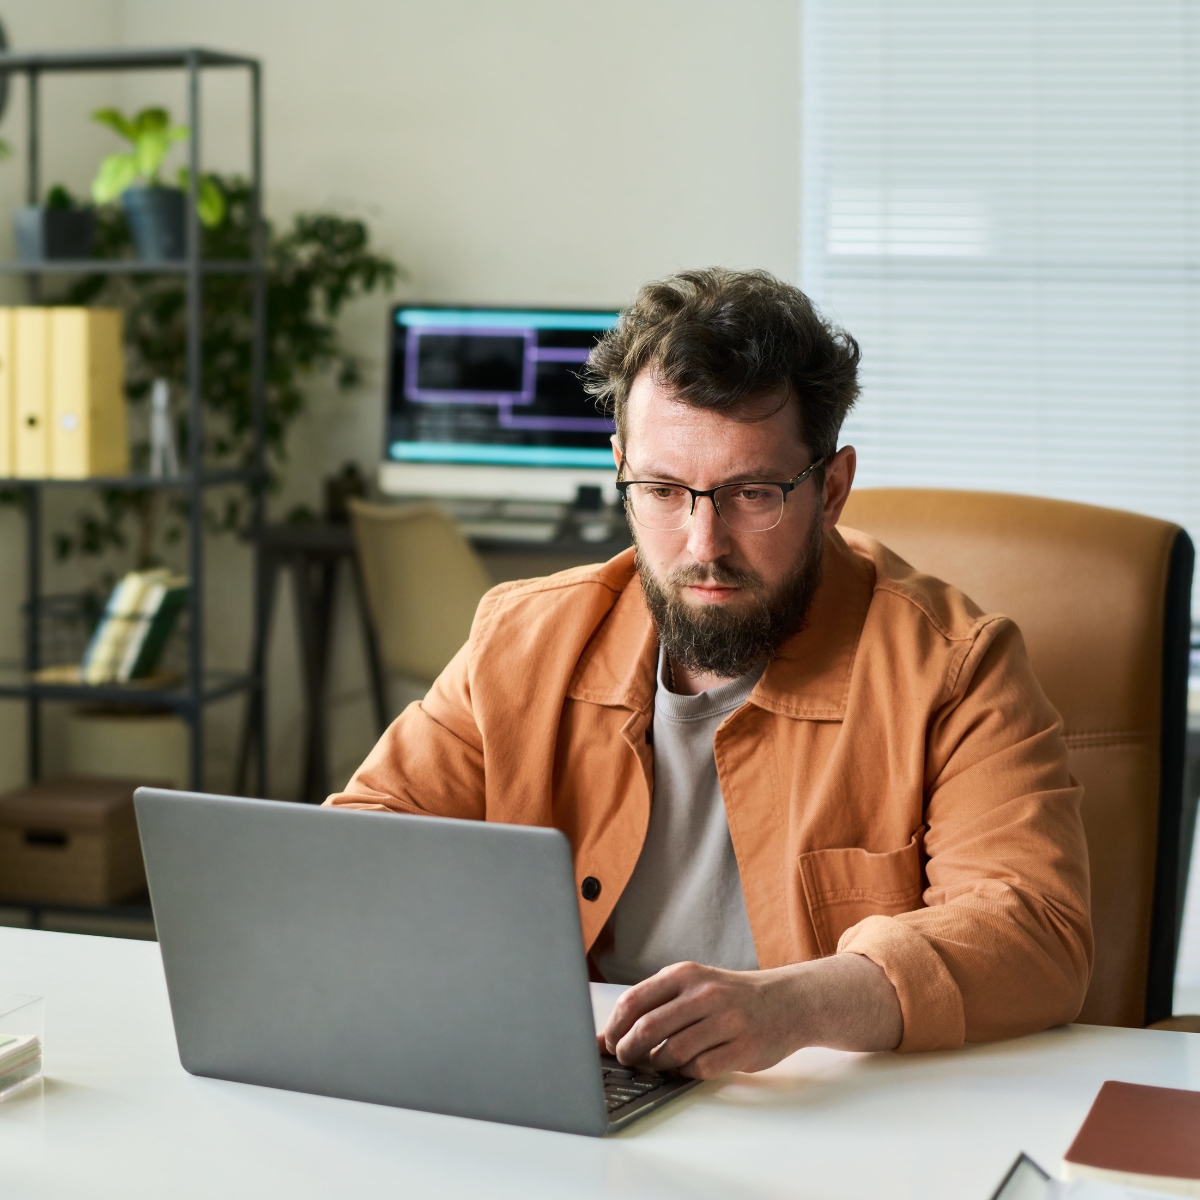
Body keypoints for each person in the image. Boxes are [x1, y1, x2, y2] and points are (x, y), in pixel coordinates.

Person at [326, 268, 1092, 1079]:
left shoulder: (955, 667)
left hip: (835, 1115)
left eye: (752, 493)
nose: (703, 546)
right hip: (578, 1091)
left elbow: (1035, 929)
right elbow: (358, 848)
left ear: (831, 489)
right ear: (620, 469)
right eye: (661, 490)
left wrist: (795, 1004)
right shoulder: (521, 639)